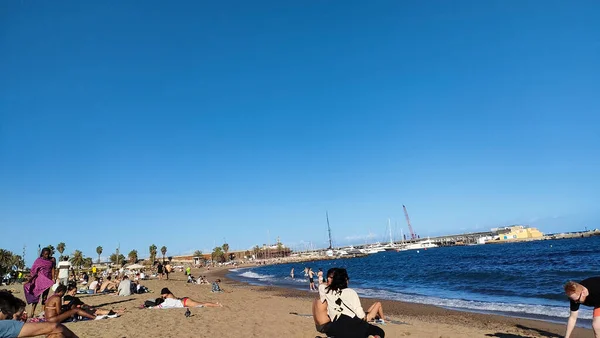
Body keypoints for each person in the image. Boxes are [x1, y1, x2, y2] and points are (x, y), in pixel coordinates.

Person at [320, 268, 385, 338]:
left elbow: (322, 285)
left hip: (334, 327)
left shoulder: (326, 290)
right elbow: (360, 315)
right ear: (345, 280)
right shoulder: (351, 292)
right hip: (352, 325)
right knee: (379, 331)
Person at [1, 291, 79, 338]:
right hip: (54, 321)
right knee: (57, 336)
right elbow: (55, 326)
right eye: (9, 315)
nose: (10, 319)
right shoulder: (3, 325)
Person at [23, 248, 56, 316]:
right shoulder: (38, 260)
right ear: (42, 253)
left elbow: (53, 269)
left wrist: (53, 278)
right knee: (36, 296)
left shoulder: (51, 260)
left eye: (48, 254)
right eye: (45, 254)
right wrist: (30, 280)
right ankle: (32, 312)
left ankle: (42, 312)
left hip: (47, 281)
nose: (47, 255)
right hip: (39, 280)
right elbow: (34, 270)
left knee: (45, 297)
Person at [157, 288, 222, 308]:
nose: (162, 296)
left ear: (165, 294)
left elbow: (160, 306)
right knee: (202, 303)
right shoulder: (170, 295)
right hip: (184, 299)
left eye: (163, 294)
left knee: (203, 305)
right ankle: (216, 304)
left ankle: (218, 305)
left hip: (185, 302)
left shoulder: (168, 299)